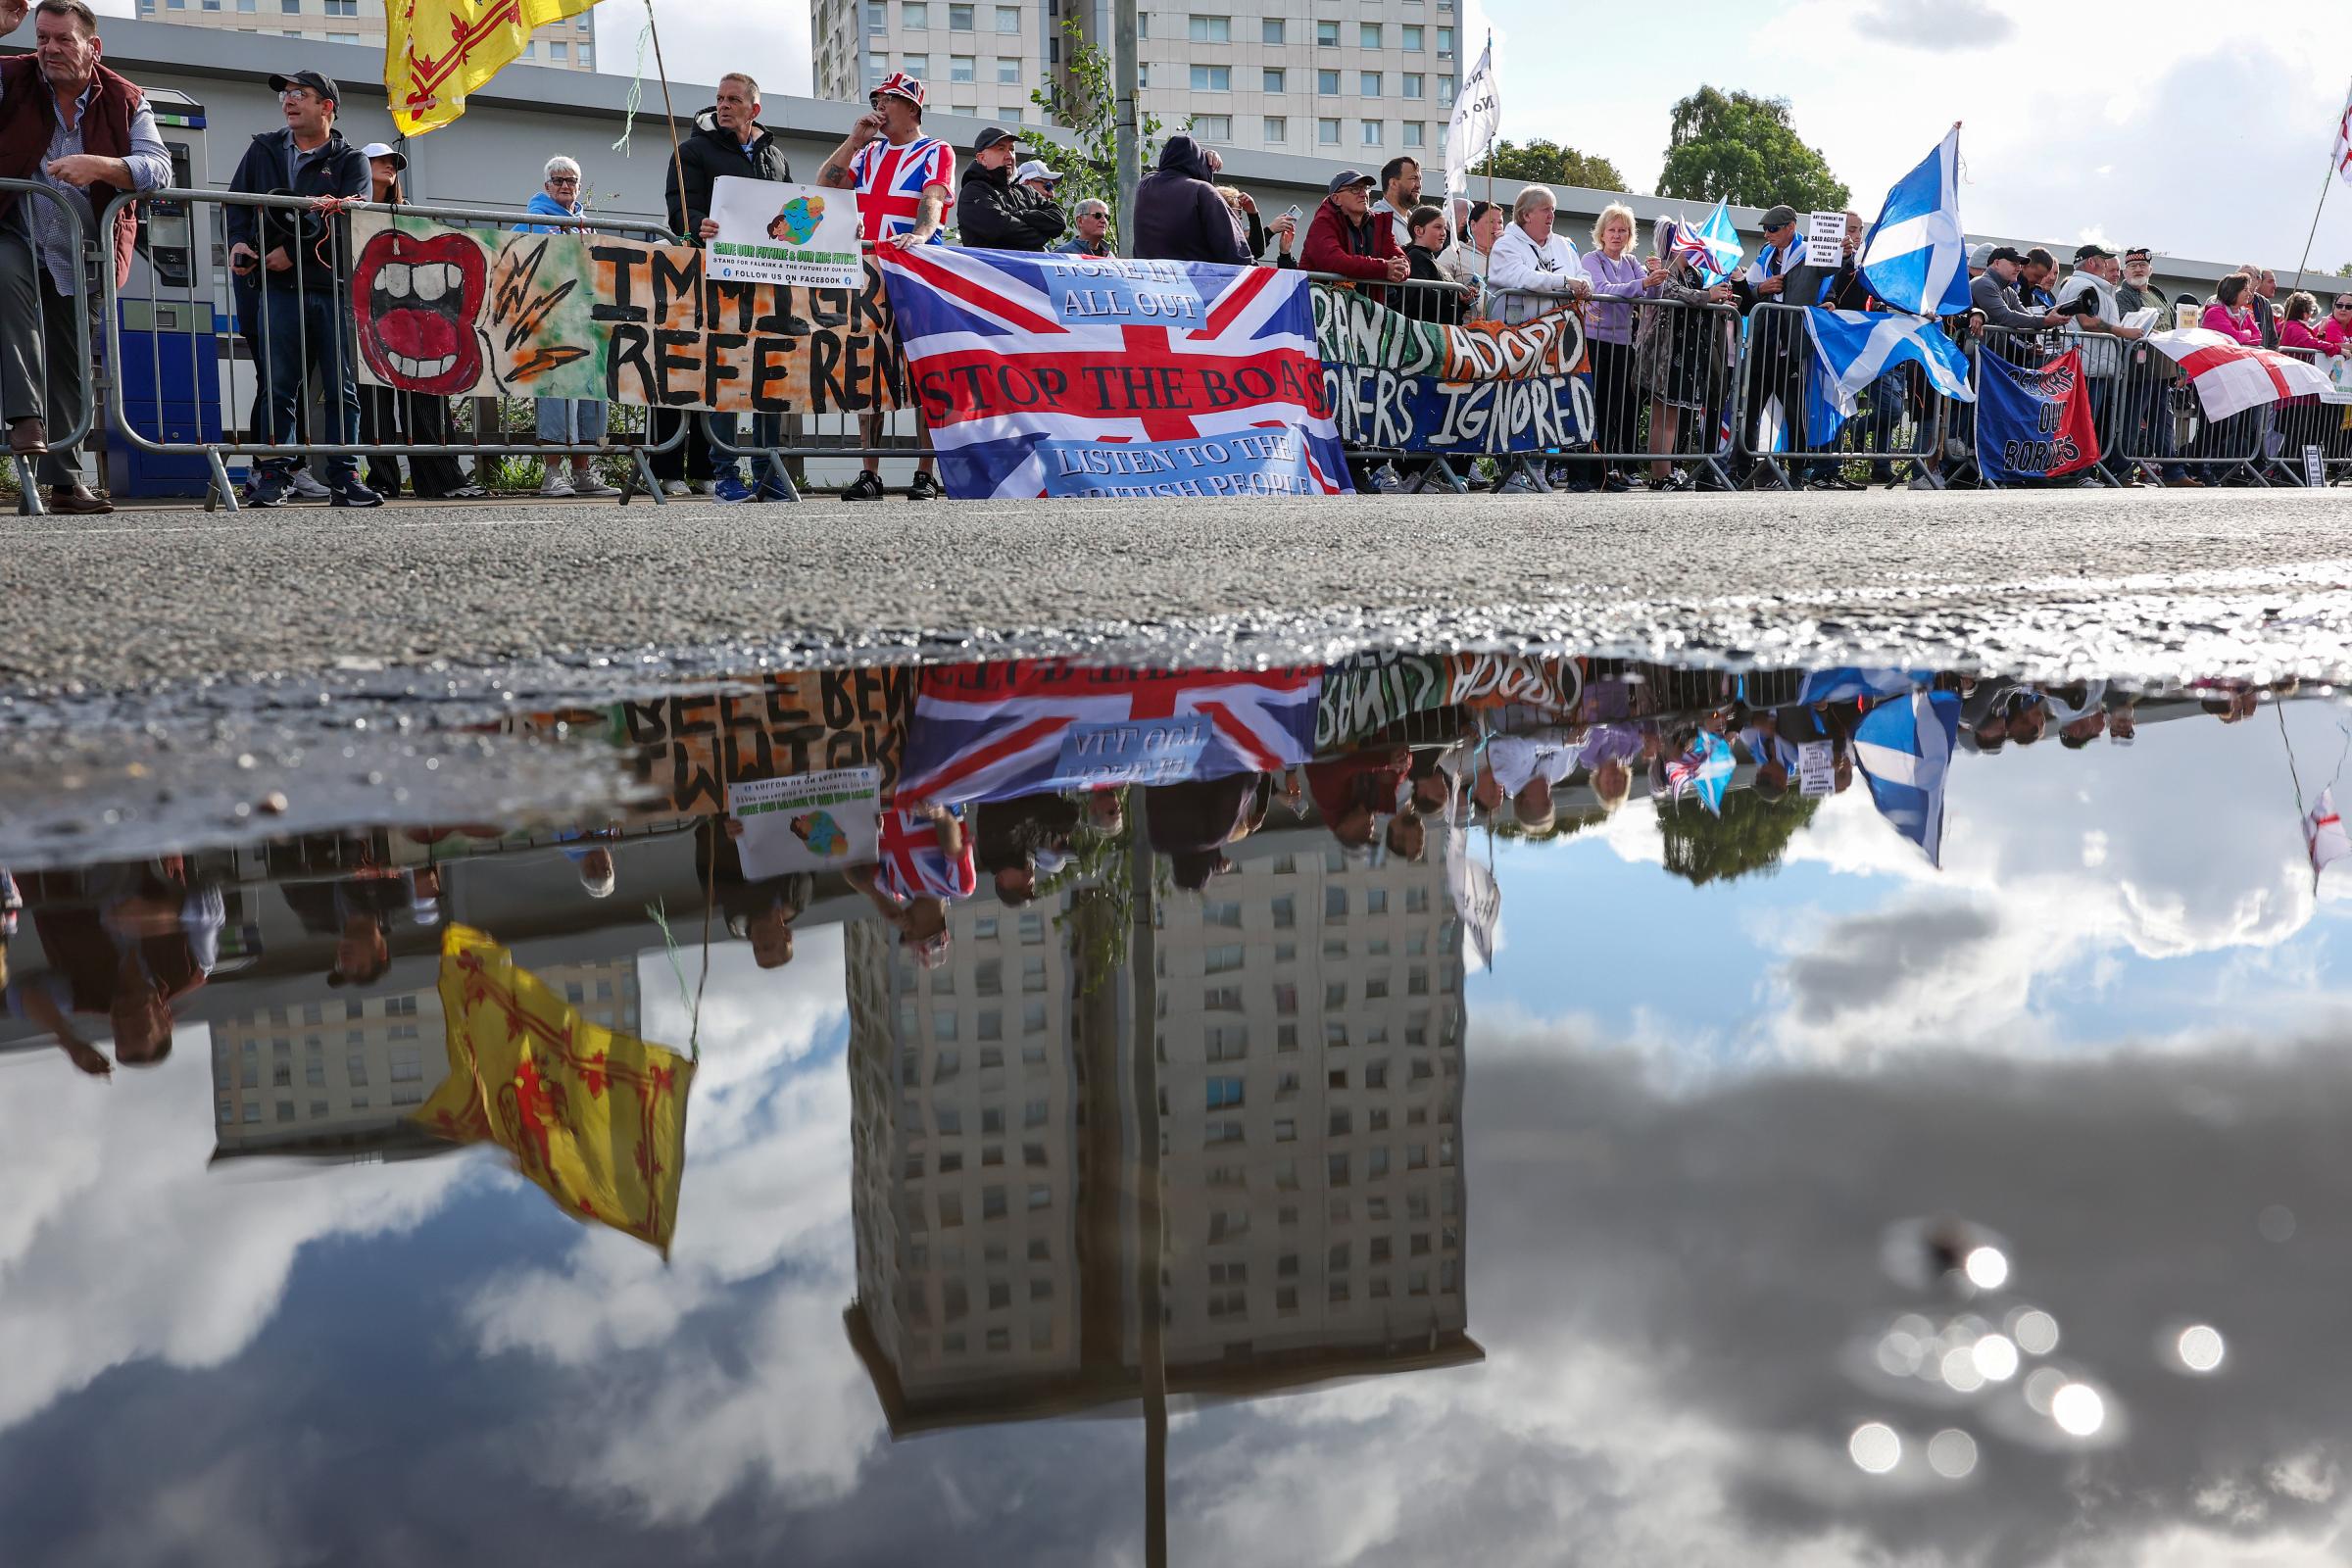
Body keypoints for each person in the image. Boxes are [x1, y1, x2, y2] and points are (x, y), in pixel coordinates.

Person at [0, 0, 164, 515]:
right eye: (41, 38)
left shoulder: (125, 97)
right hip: (14, 230)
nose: (48, 49)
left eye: (61, 39)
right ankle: (25, 418)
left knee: (71, 363)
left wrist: (103, 166)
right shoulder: (11, 77)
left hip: (80, 250)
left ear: (93, 47)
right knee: (9, 292)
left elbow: (158, 168)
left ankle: (66, 485)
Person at [226, 67, 377, 508]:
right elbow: (237, 203)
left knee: (341, 387)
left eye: (300, 94)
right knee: (278, 385)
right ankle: (274, 475)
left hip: (332, 289)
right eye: (286, 95)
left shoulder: (352, 161)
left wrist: (292, 251)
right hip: (275, 288)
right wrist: (239, 240)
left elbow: (350, 213)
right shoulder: (263, 149)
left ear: (327, 107)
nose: (289, 101)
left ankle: (345, 476)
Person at [819, 70, 952, 502]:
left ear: (911, 107)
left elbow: (933, 197)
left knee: (922, 369)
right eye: (877, 98)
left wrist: (922, 234)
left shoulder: (935, 149)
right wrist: (854, 140)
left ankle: (925, 472)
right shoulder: (868, 152)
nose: (879, 105)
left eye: (889, 99)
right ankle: (869, 472)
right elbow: (825, 188)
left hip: (913, 271)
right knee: (869, 369)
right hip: (866, 271)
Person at [667, 73, 799, 504]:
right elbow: (679, 207)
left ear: (754, 109)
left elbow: (796, 214)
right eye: (720, 98)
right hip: (718, 281)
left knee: (769, 377)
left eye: (733, 100)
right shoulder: (692, 151)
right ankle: (725, 472)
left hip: (769, 283)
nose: (723, 105)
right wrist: (695, 224)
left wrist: (840, 228)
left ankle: (768, 473)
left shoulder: (775, 157)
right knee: (725, 374)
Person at [350, 143, 478, 501]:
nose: (388, 166)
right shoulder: (348, 211)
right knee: (374, 404)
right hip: (367, 321)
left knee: (426, 400)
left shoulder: (410, 215)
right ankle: (382, 480)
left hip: (416, 323)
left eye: (393, 162)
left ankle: (441, 479)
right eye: (378, 160)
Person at [514, 154, 620, 500]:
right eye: (558, 180)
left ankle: (581, 473)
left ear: (579, 186)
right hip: (549, 321)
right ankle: (552, 474)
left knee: (589, 393)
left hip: (585, 320)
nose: (564, 186)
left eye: (571, 180)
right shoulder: (531, 219)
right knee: (555, 392)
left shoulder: (583, 223)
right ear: (546, 186)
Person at [1634, 216, 1738, 491]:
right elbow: (1674, 293)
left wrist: (1717, 300)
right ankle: (1659, 475)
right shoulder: (1664, 269)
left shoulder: (1695, 274)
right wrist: (1707, 296)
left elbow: (1696, 298)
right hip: (1665, 352)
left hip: (1688, 351)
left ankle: (1667, 471)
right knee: (1662, 414)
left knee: (1674, 415)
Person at [1579, 201, 1660, 492]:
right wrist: (1643, 284)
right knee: (1593, 406)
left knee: (1616, 408)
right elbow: (1601, 290)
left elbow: (1651, 293)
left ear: (1630, 235)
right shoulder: (1591, 259)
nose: (1617, 235)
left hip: (1623, 343)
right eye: (1612, 230)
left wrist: (1656, 278)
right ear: (1601, 233)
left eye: (1623, 231)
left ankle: (1609, 469)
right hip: (1594, 341)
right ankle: (1588, 471)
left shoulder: (1631, 262)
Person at [1130, 132, 1250, 267]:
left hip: (1149, 276)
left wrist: (1201, 156)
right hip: (1193, 277)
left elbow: (1165, 169)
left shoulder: (1144, 185)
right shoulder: (1202, 190)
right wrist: (1205, 162)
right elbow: (1234, 251)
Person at [1486, 184, 1590, 324]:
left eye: (1553, 209)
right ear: (1526, 215)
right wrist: (1565, 282)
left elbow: (1582, 274)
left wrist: (1585, 285)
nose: (1551, 215)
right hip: (1513, 333)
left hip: (1560, 332)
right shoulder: (1505, 245)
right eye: (1545, 209)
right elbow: (1522, 277)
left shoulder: (1564, 244)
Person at [957, 125, 1065, 252]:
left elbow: (1059, 220)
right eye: (1001, 149)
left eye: (1012, 149)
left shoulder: (1026, 191)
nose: (1009, 155)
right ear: (982, 158)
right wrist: (1043, 234)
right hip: (994, 265)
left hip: (1031, 264)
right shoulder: (973, 192)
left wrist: (1019, 215)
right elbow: (1003, 231)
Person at [1301, 168, 1406, 284]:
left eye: (1366, 188)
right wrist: (1384, 268)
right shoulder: (1322, 223)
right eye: (1355, 189)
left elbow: (1403, 261)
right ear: (1336, 199)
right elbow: (1335, 261)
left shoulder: (1377, 223)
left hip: (1358, 296)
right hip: (1318, 295)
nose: (1364, 194)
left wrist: (1399, 269)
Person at [1401, 204, 1466, 324]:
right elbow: (1423, 297)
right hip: (1427, 330)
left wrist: (1462, 296)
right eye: (1437, 227)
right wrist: (1456, 294)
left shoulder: (1428, 257)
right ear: (1418, 231)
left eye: (1444, 228)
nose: (1443, 233)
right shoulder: (1416, 257)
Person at [1439, 199, 1502, 293]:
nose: (1497, 227)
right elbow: (1437, 284)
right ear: (1473, 225)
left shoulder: (1506, 254)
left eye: (1500, 222)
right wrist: (1460, 295)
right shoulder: (1454, 252)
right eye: (1491, 222)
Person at [1367, 155, 1420, 252]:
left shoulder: (1415, 223)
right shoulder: (1375, 221)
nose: (1419, 185)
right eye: (1413, 178)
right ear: (1393, 183)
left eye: (1420, 179)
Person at [2019, 247, 2058, 311]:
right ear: (2024, 266)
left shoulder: (2031, 290)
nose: (2039, 282)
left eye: (2042, 277)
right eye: (2037, 276)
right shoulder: (2010, 286)